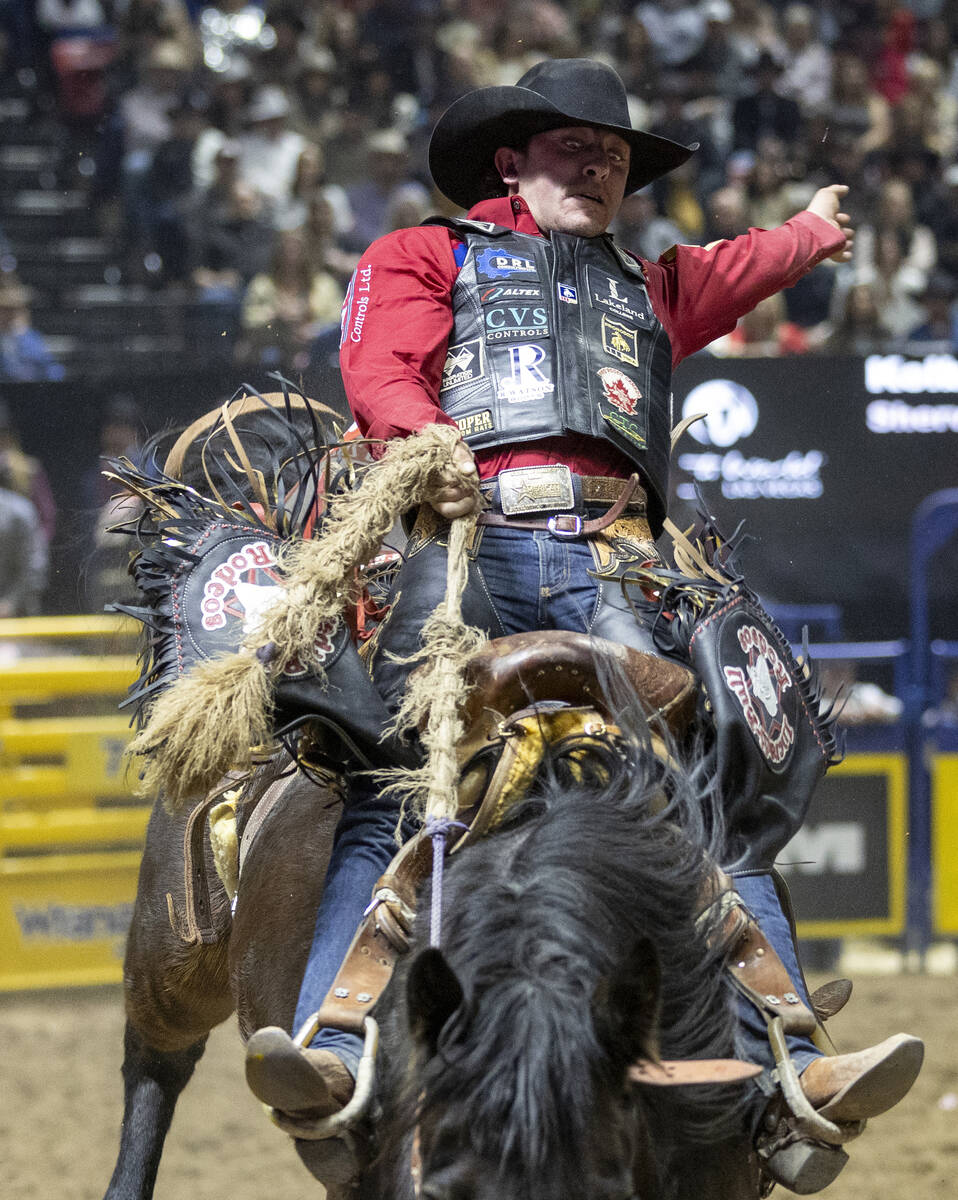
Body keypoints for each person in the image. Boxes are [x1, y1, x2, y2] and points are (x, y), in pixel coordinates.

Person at [245, 59, 922, 1191]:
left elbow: (729, 267)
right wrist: (430, 449)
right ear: (512, 159)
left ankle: (792, 1059)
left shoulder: (642, 286)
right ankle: (340, 1043)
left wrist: (808, 231)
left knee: (705, 786)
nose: (601, 166)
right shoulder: (426, 254)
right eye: (577, 147)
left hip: (616, 555)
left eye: (614, 156)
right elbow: (381, 370)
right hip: (465, 537)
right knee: (396, 770)